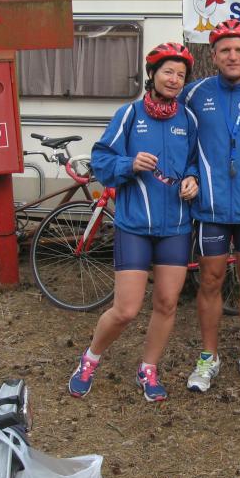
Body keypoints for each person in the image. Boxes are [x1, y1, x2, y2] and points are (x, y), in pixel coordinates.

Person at [68, 42, 199, 403]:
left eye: (181, 75)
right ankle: (90, 359)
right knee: (126, 310)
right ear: (152, 74)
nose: (174, 79)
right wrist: (128, 164)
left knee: (167, 303)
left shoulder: (188, 120)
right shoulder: (129, 114)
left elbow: (193, 161)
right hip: (135, 226)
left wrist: (193, 179)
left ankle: (148, 369)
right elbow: (100, 161)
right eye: (168, 72)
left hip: (176, 226)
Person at [180, 19, 240, 392]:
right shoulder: (193, 94)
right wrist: (190, 174)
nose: (232, 56)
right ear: (213, 55)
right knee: (210, 280)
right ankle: (209, 357)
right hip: (212, 209)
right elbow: (182, 144)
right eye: (225, 50)